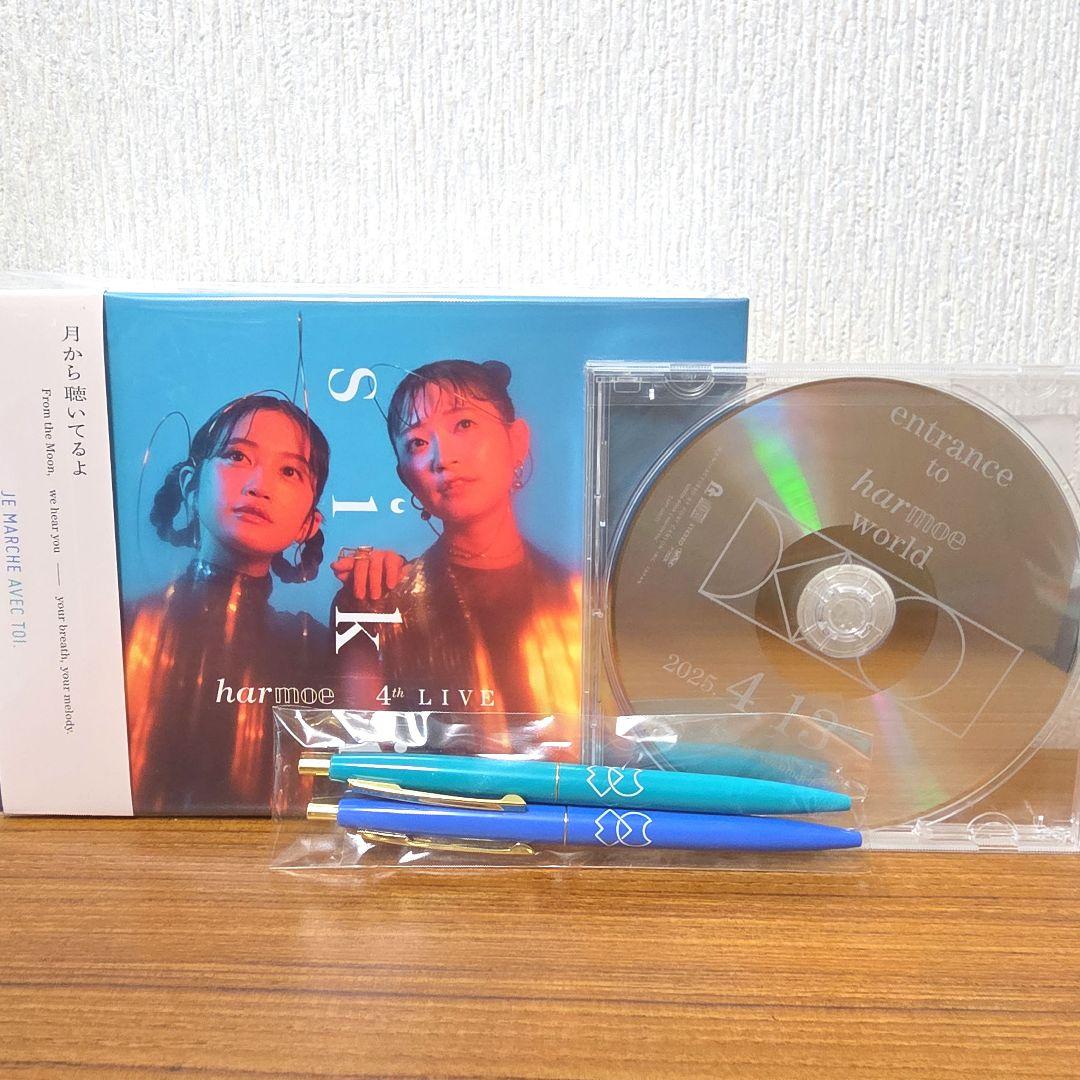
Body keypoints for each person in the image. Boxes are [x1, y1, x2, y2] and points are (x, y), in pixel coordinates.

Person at [333, 360, 580, 758]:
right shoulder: (375, 601)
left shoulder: (582, 598)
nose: (442, 457)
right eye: (417, 443)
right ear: (405, 477)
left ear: (517, 441)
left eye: (464, 424)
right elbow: (367, 763)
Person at [123, 394, 331, 814]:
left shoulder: (314, 646)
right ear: (191, 485)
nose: (258, 485)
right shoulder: (125, 627)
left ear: (308, 524)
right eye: (237, 456)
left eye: (289, 471)